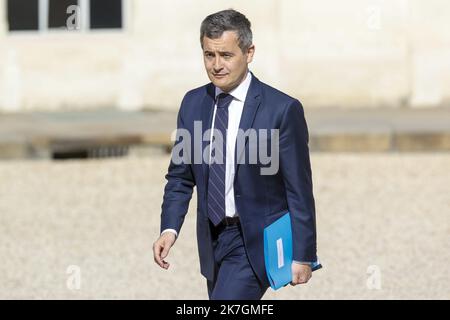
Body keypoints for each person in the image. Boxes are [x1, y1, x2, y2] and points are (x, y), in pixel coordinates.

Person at [153, 9, 319, 300]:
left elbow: (299, 189)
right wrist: (169, 229)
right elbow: (180, 176)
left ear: (249, 52)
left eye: (226, 55)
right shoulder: (193, 104)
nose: (216, 65)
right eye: (209, 55)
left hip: (253, 241)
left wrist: (303, 255)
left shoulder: (282, 109)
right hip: (211, 240)